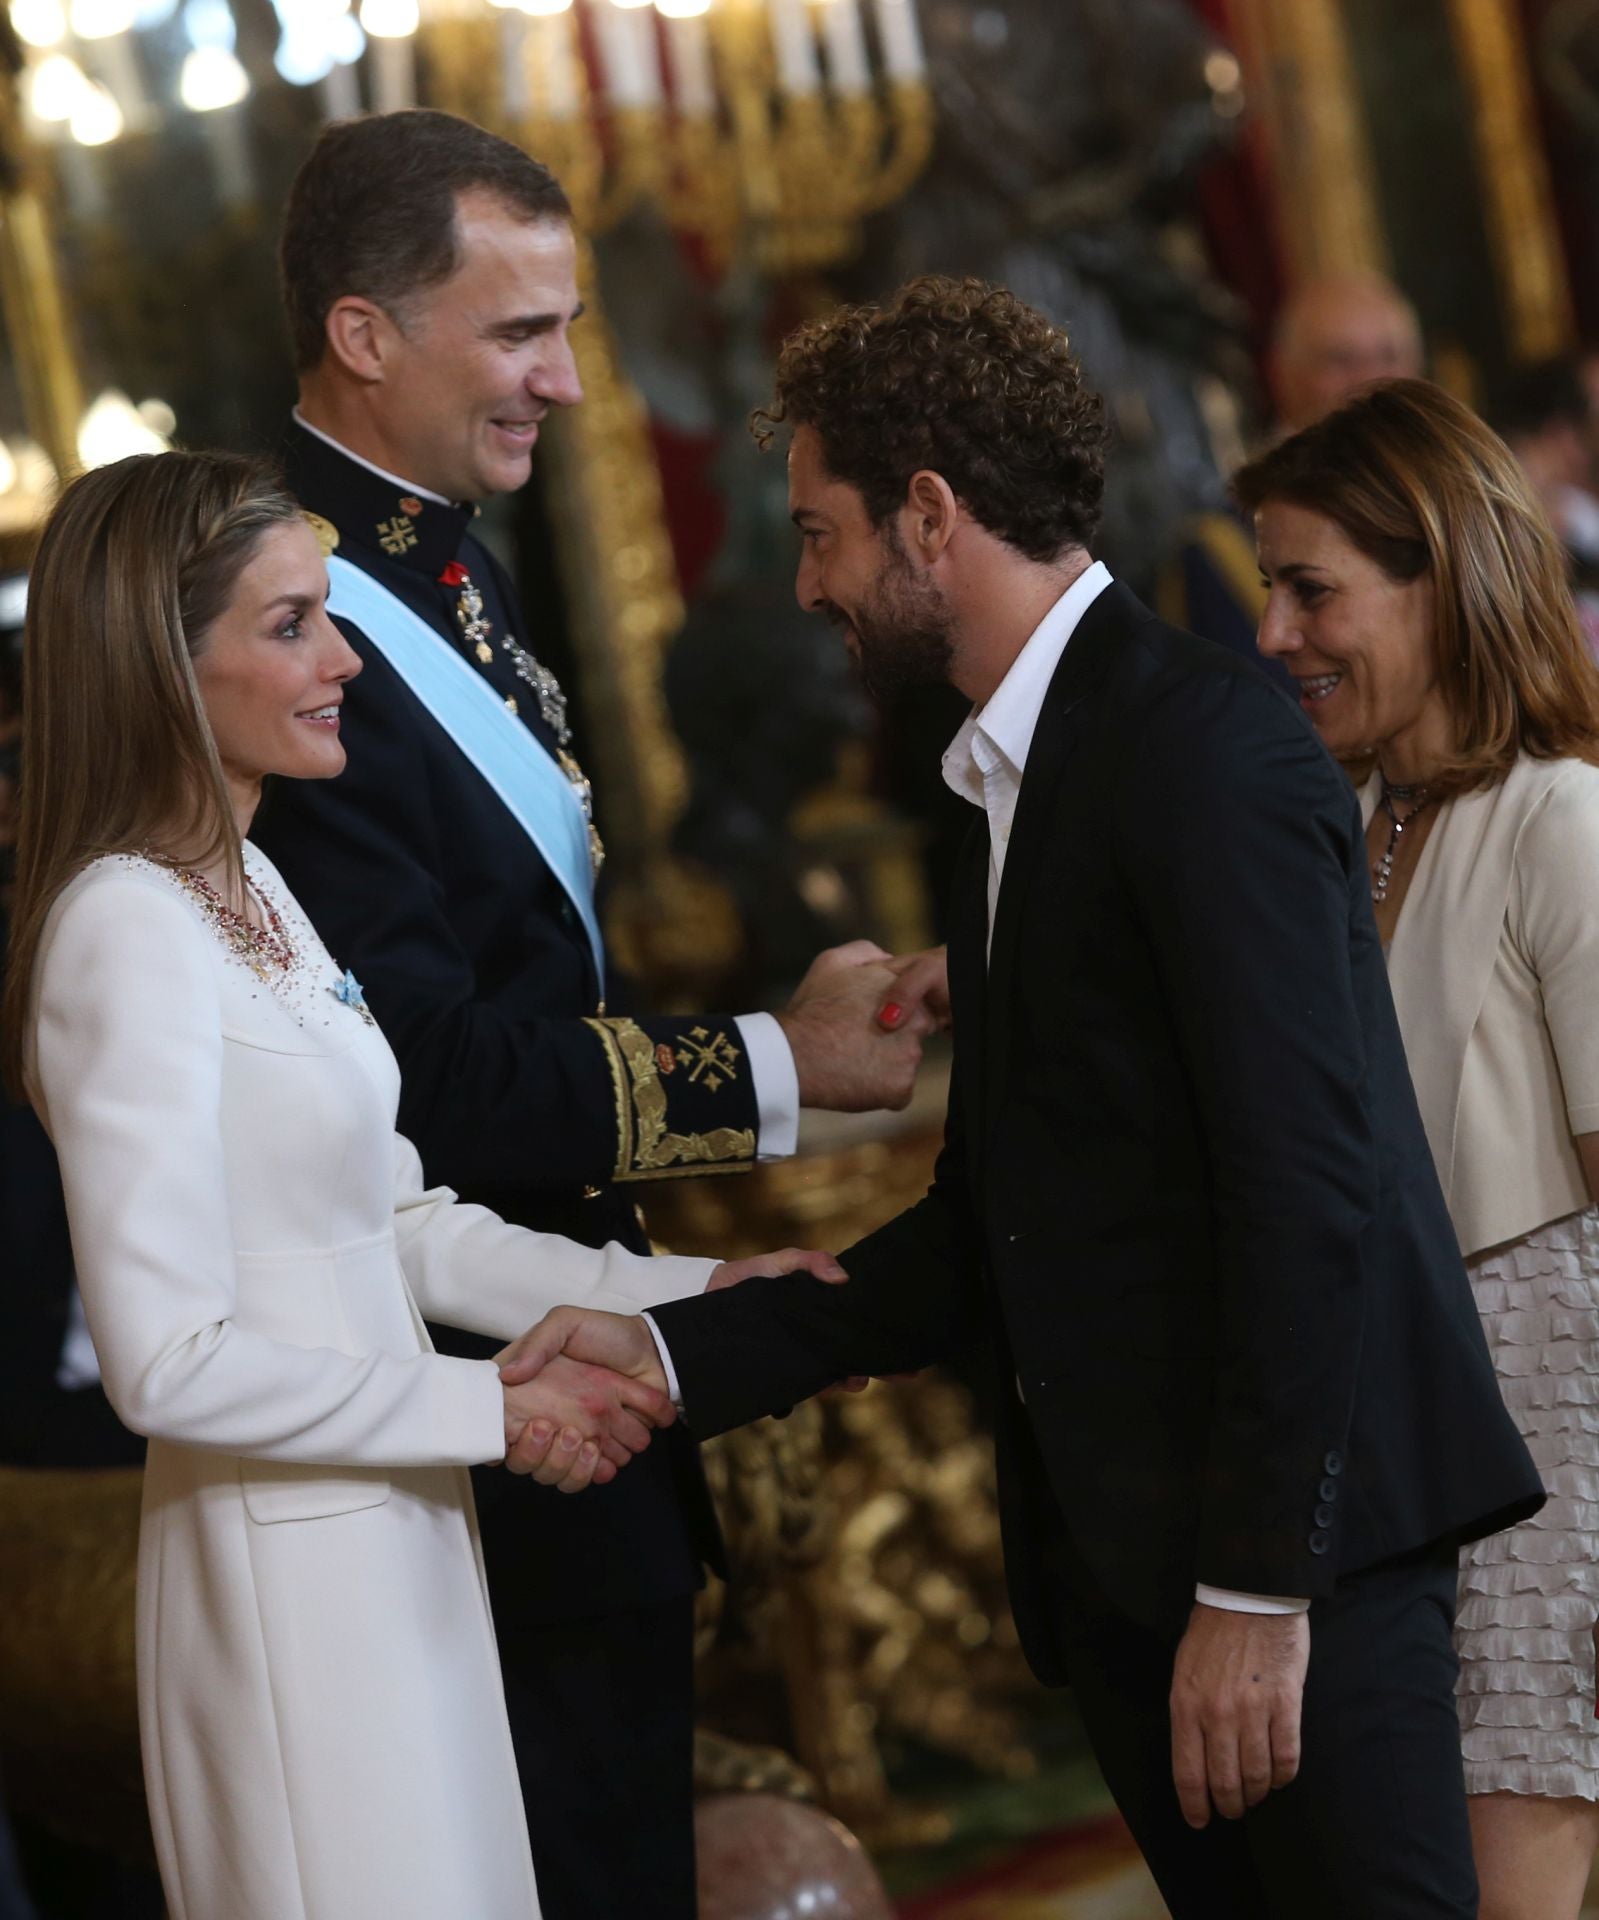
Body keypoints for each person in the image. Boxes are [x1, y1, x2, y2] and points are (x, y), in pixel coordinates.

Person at [505, 276, 1546, 1920]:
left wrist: (1254, 1588)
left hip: (1289, 1581)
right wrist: (662, 1349)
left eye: (821, 533)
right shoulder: (1008, 782)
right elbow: (990, 1226)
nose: (805, 585)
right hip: (1144, 1586)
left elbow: (1304, 1189)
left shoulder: (1195, 742)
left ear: (927, 518)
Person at [251, 108, 936, 1920]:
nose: (564, 380)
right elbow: (431, 1087)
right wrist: (776, 1069)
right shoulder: (287, 620)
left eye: (567, 327)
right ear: (364, 333)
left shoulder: (442, 566)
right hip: (463, 1414)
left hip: (568, 1368)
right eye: (517, 333)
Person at [0, 450, 834, 1920]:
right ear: (159, 661)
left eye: (328, 616)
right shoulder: (120, 927)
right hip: (288, 1584)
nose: (341, 663)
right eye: (289, 626)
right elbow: (165, 1362)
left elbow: (402, 1227)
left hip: (399, 1537)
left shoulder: (253, 888)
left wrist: (688, 1300)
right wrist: (492, 1413)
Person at [1237, 377, 1599, 1920]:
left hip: (1551, 1437)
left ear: (1438, 579)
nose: (1271, 634)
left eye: (1308, 588)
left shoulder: (1556, 817)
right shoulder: (1358, 820)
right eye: (1266, 587)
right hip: (1406, 1447)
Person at [1159, 271, 1424, 682]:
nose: (1371, 381)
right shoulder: (1223, 545)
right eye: (1341, 360)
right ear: (1282, 371)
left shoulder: (1446, 510)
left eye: (1389, 356)